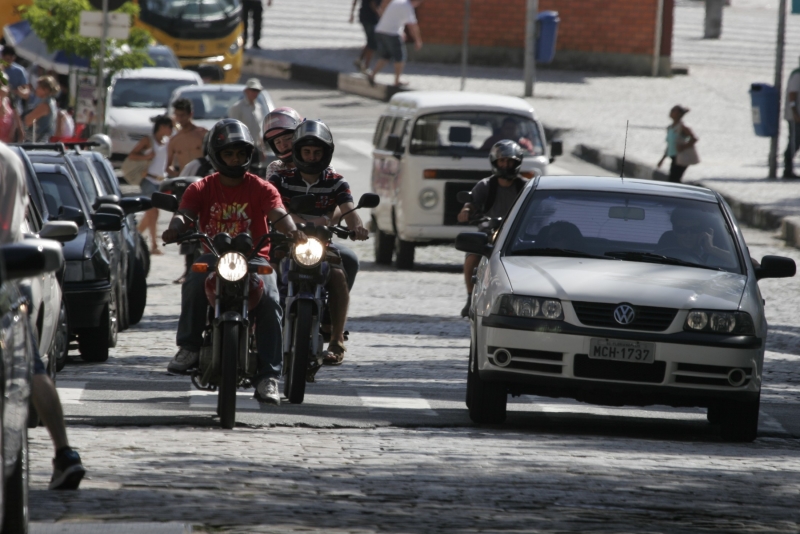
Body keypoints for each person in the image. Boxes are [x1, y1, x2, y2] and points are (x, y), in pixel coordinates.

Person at [162, 119, 305, 405]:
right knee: (193, 280)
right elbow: (186, 213)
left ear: (249, 155)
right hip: (214, 257)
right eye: (229, 154)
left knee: (271, 300)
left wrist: (293, 232)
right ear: (216, 155)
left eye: (241, 154)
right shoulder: (201, 188)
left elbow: (278, 213)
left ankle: (268, 376)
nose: (235, 159)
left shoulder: (262, 187)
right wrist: (175, 227)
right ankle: (188, 347)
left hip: (255, 259)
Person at [0, 142, 86, 490]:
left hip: (5, 280)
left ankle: (64, 453)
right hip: (8, 276)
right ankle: (63, 452)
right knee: (31, 366)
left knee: (29, 366)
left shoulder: (5, 159)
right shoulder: (8, 158)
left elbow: (8, 230)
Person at [268, 120, 369, 365]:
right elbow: (274, 208)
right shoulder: (280, 179)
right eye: (307, 152)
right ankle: (258, 330)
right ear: (298, 152)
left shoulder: (336, 181)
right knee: (264, 275)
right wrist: (301, 222)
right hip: (284, 242)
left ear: (326, 154)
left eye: (317, 152)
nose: (312, 157)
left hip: (320, 245)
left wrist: (357, 226)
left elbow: (348, 208)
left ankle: (336, 338)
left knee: (338, 276)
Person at [457, 140, 528, 317]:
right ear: (495, 162)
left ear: (517, 162)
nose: (505, 165)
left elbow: (539, 208)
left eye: (509, 161)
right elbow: (470, 204)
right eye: (502, 161)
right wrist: (466, 211)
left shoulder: (525, 186)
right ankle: (468, 297)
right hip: (488, 232)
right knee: (472, 255)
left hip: (516, 233)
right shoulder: (485, 185)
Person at [128, 114, 175, 255]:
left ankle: (134, 237)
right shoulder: (148, 141)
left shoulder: (167, 142)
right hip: (148, 180)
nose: (172, 129)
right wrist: (146, 157)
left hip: (161, 181)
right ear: (162, 127)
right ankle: (154, 245)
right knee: (153, 211)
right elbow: (132, 155)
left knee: (151, 214)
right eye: (170, 127)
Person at [367, 0, 423, 87]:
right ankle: (397, 80)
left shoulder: (398, 2)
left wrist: (401, 32)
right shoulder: (407, 7)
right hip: (391, 33)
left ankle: (372, 75)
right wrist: (418, 40)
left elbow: (391, 15)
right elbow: (412, 26)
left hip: (381, 30)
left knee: (386, 55)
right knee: (400, 56)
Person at [656, 208, 733, 266]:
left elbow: (739, 262)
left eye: (694, 229)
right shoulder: (663, 257)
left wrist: (712, 249)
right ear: (674, 231)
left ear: (703, 231)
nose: (688, 235)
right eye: (682, 230)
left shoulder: (715, 256)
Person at [228, 78, 268, 174]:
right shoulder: (238, 107)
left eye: (257, 91)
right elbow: (233, 129)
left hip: (255, 148)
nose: (255, 93)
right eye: (253, 90)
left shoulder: (259, 107)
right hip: (242, 148)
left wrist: (262, 149)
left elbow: (258, 130)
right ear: (246, 91)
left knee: (256, 174)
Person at [657, 105, 698, 183]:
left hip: (681, 157)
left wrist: (683, 147)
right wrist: (662, 159)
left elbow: (694, 139)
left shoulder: (683, 127)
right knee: (673, 179)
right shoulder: (670, 127)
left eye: (674, 111)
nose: (671, 112)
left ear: (679, 114)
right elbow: (669, 145)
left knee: (674, 179)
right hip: (673, 156)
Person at [167, 98, 207, 177]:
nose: (179, 119)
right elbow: (167, 166)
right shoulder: (174, 140)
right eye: (177, 115)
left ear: (190, 114)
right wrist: (177, 175)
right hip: (185, 182)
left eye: (182, 115)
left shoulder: (203, 134)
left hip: (202, 179)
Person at [263, 106, 304, 176]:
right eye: (278, 142)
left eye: (287, 138)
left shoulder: (316, 162)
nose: (283, 145)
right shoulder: (275, 168)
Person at [22, 76, 58, 142]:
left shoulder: (45, 105)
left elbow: (27, 121)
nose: (36, 89)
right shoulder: (52, 101)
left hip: (39, 142)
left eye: (39, 87)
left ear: (46, 90)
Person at [350, 0, 380, 73]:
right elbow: (373, 4)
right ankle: (366, 66)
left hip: (365, 15)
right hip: (370, 17)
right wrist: (381, 15)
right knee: (373, 43)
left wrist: (352, 13)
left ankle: (360, 60)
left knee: (370, 40)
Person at [1, 46, 30, 114]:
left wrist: (21, 92)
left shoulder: (19, 71)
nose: (9, 61)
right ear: (2, 56)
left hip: (14, 108)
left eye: (12, 59)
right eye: (7, 59)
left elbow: (26, 91)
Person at [784, 59, 800, 178]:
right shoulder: (797, 74)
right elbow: (792, 94)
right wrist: (794, 112)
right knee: (794, 141)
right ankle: (787, 169)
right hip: (796, 115)